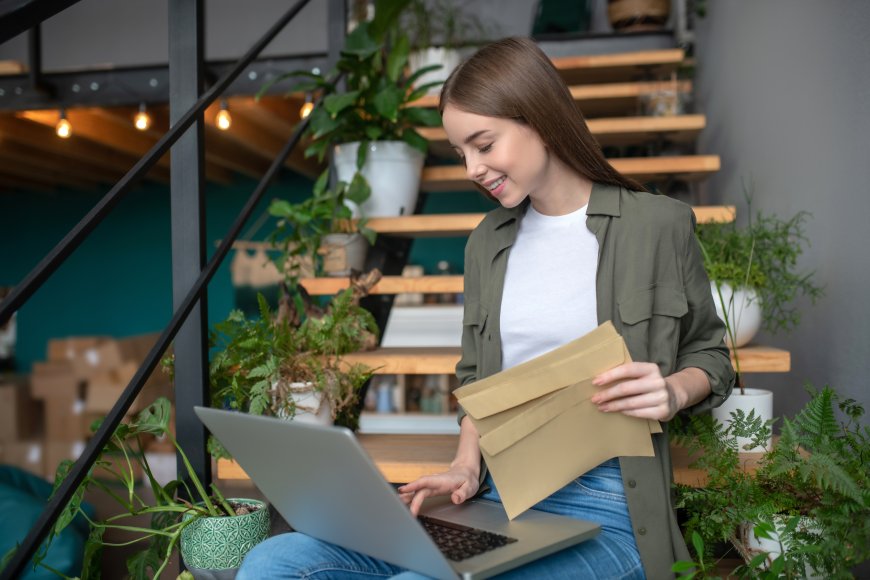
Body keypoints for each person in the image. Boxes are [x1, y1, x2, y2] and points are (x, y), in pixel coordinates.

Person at [238, 36, 735, 579]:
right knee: (275, 559)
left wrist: (673, 390)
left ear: (540, 119)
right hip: (499, 496)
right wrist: (464, 465)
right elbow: (478, 379)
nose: (473, 167)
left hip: (611, 508)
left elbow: (711, 354)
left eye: (484, 144)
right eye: (461, 153)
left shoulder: (657, 225)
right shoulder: (487, 243)